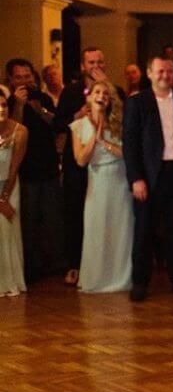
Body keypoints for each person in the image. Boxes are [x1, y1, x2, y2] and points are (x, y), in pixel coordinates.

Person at [123, 57, 173, 302]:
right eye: (160, 71)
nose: (165, 76)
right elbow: (131, 144)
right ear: (149, 73)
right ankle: (140, 282)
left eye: (170, 71)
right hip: (150, 174)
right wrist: (136, 178)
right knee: (145, 230)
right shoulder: (137, 102)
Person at [54, 47, 124, 287]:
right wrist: (77, 114)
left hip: (109, 161)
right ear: (83, 66)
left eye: (100, 62)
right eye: (91, 62)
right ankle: (75, 264)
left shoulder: (115, 91)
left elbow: (123, 117)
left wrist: (110, 90)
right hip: (80, 162)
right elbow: (58, 123)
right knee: (76, 212)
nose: (96, 66)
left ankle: (109, 265)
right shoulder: (71, 92)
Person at [70, 80, 132, 293]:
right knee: (97, 229)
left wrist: (104, 140)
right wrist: (95, 136)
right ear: (90, 97)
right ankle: (96, 279)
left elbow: (127, 153)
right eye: (98, 92)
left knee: (120, 229)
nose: (102, 97)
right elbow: (80, 160)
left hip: (119, 180)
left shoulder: (118, 123)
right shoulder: (78, 126)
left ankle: (120, 278)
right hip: (97, 182)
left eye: (106, 94)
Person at [6, 58, 63, 283]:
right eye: (19, 77)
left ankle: (54, 261)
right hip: (25, 170)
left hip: (47, 166)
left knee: (51, 217)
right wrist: (19, 106)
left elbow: (57, 126)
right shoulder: (8, 103)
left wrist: (41, 112)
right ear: (10, 80)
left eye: (27, 76)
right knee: (27, 220)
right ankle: (31, 265)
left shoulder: (44, 97)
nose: (24, 81)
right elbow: (11, 132)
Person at [0, 91, 29, 296]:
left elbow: (14, 167)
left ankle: (10, 281)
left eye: (4, 105)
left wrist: (3, 198)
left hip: (9, 187)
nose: (2, 109)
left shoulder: (20, 131)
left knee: (7, 231)